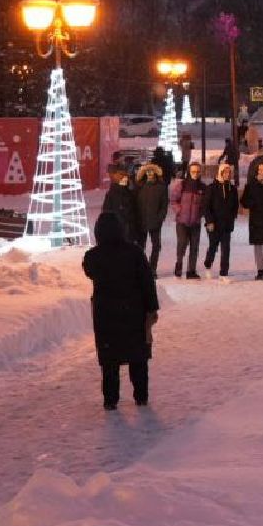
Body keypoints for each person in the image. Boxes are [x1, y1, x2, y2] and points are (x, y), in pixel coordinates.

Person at [82, 212, 159, 411]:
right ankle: (141, 396)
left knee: (109, 360)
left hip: (105, 314)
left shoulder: (93, 256)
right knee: (138, 357)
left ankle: (110, 399)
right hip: (133, 311)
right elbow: (147, 282)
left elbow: (89, 270)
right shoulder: (134, 252)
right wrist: (152, 308)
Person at [169, 161, 206, 278]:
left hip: (195, 222)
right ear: (189, 172)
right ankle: (179, 264)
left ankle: (191, 270)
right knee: (182, 244)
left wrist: (200, 214)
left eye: (197, 172)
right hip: (182, 222)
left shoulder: (202, 187)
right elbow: (173, 200)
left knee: (194, 247)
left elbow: (205, 204)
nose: (195, 173)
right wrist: (179, 211)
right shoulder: (182, 185)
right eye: (193, 171)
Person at [203, 163, 239, 277]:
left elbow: (235, 206)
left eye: (229, 173)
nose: (228, 175)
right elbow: (206, 206)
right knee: (213, 247)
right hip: (214, 224)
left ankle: (224, 273)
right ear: (221, 173)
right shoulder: (212, 188)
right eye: (226, 172)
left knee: (226, 249)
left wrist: (232, 218)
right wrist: (209, 221)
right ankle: (208, 265)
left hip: (227, 225)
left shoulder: (232, 189)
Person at [134, 163, 169, 276]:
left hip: (155, 222)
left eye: (151, 171)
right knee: (140, 247)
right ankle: (140, 268)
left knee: (156, 246)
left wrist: (160, 218)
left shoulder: (161, 187)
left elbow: (164, 206)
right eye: (147, 172)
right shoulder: (139, 186)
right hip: (141, 221)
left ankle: (152, 269)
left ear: (155, 173)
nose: (149, 174)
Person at [101, 168, 141, 246]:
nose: (126, 180)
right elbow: (106, 211)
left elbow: (134, 210)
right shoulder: (112, 193)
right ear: (118, 180)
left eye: (126, 178)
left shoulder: (129, 192)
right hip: (118, 228)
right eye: (123, 178)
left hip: (129, 228)